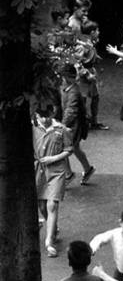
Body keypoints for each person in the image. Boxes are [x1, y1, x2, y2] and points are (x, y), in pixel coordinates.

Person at [32, 106, 72, 257]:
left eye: (47, 116)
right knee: (42, 205)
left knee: (52, 204)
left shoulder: (61, 129)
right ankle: (53, 228)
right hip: (39, 171)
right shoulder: (33, 128)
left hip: (56, 171)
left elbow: (69, 149)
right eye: (41, 116)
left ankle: (49, 241)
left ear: (52, 113)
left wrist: (53, 158)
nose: (45, 119)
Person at [60, 62, 95, 185]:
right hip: (74, 125)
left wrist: (62, 125)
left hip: (74, 126)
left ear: (67, 78)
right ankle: (88, 169)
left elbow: (71, 111)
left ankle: (68, 174)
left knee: (61, 148)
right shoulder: (67, 88)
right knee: (75, 148)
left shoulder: (73, 92)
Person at [74, 20, 109, 131]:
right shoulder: (83, 45)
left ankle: (94, 121)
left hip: (91, 72)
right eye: (97, 30)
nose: (98, 32)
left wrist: (95, 57)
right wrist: (87, 74)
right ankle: (82, 122)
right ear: (92, 32)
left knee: (95, 97)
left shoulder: (90, 43)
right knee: (82, 99)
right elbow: (76, 62)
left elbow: (90, 54)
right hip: (84, 75)